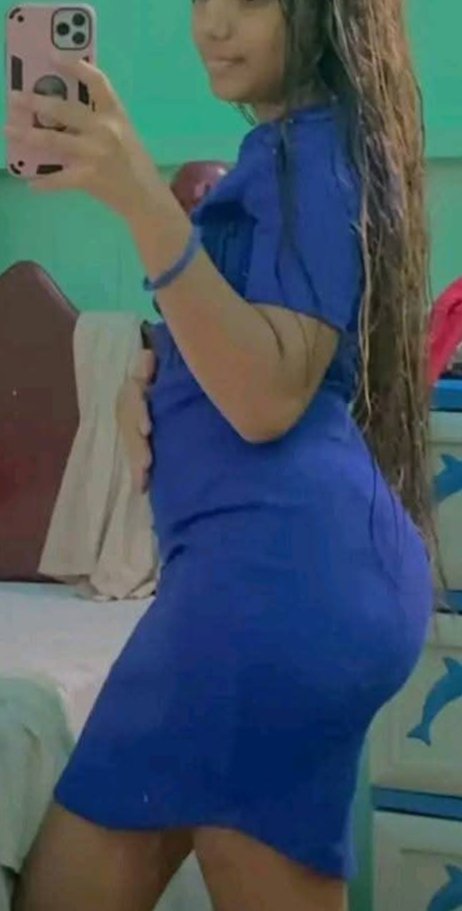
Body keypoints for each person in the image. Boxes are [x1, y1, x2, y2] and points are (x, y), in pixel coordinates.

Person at [7, 0, 434, 909]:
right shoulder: (285, 155)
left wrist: (138, 194)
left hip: (277, 589)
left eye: (248, 3)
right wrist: (159, 378)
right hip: (265, 584)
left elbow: (270, 396)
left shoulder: (318, 158)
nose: (212, 26)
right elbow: (246, 347)